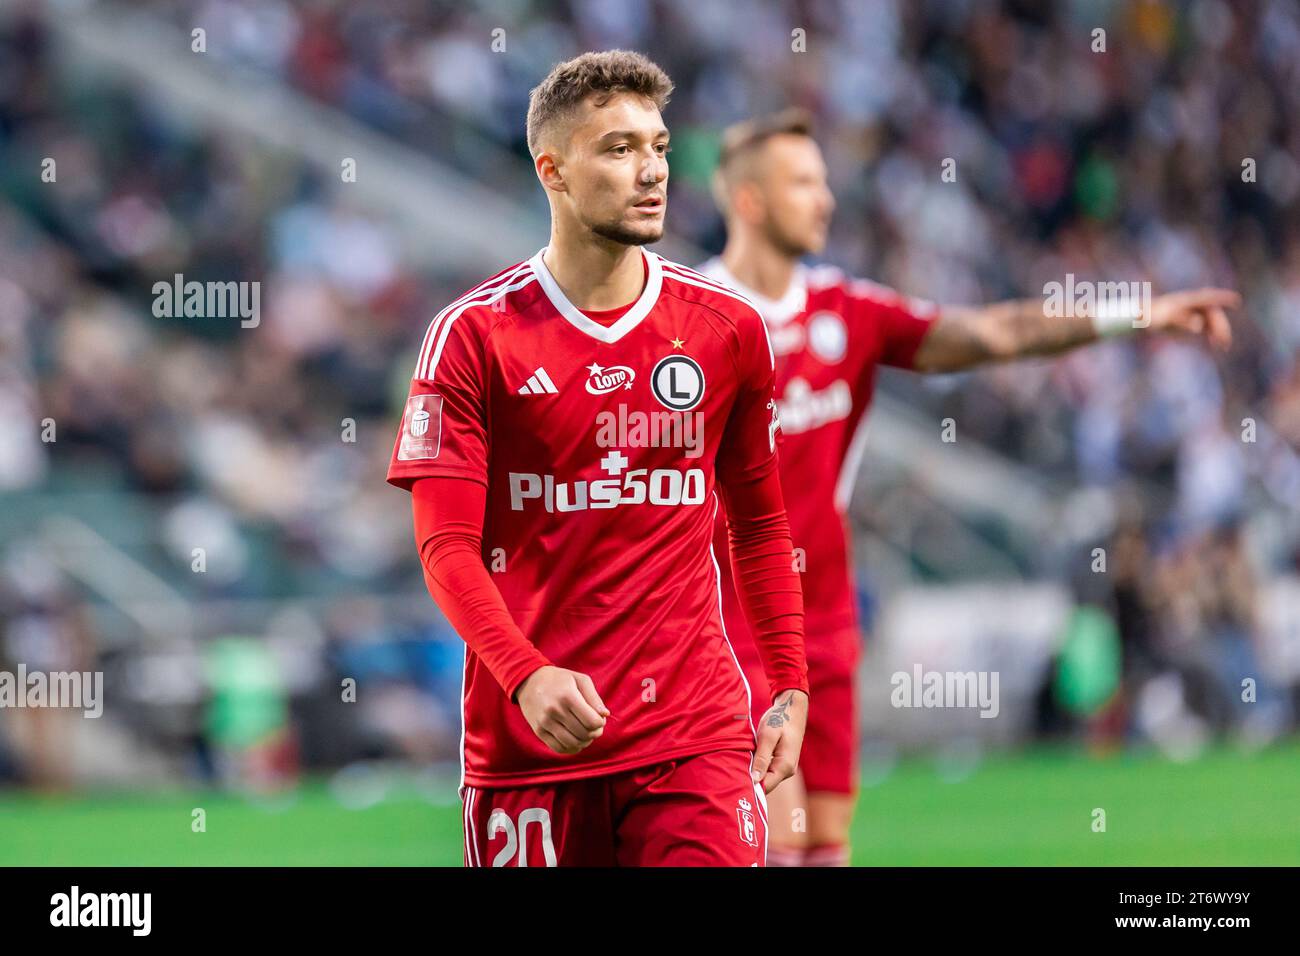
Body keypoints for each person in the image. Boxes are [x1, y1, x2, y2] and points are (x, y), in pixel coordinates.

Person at [702, 108, 1240, 867]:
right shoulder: (690, 322)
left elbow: (993, 335)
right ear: (749, 200)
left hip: (826, 630)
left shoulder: (847, 313)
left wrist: (1136, 314)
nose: (824, 198)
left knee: (825, 850)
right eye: (801, 183)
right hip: (733, 639)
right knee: (774, 848)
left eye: (823, 180)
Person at [387, 52, 809, 866]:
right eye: (618, 149)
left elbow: (759, 524)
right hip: (530, 752)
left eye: (658, 146)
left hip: (695, 739)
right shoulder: (473, 338)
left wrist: (787, 682)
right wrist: (526, 675)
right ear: (552, 169)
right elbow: (444, 548)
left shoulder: (727, 329)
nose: (652, 171)